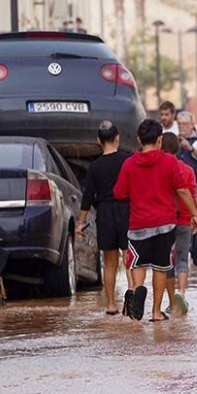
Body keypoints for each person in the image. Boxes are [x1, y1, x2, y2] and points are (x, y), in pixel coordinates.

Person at [114, 119, 197, 322]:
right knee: (161, 267)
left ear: (139, 140)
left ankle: (137, 288)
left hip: (138, 225)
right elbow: (182, 190)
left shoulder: (129, 164)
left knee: (138, 264)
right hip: (165, 224)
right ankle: (155, 312)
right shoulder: (170, 162)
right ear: (159, 139)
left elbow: (119, 193)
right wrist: (194, 213)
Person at [77, 121, 131, 315]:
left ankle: (111, 305)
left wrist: (81, 222)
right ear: (118, 138)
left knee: (110, 262)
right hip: (126, 210)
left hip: (105, 213)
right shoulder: (127, 160)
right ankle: (132, 298)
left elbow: (87, 196)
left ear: (98, 141)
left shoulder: (94, 167)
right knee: (129, 257)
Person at [161, 132, 197, 315]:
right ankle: (182, 293)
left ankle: (171, 302)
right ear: (177, 148)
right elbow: (191, 195)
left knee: (167, 262)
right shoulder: (187, 170)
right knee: (182, 259)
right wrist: (196, 215)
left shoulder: (159, 169)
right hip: (185, 219)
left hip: (166, 220)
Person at [176, 111, 197, 201]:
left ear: (192, 125)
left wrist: (191, 148)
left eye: (184, 124)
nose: (181, 126)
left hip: (196, 183)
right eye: (179, 124)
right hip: (178, 185)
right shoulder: (175, 139)